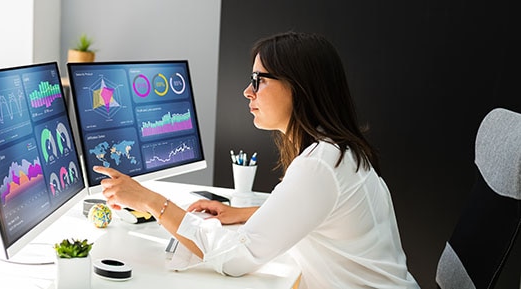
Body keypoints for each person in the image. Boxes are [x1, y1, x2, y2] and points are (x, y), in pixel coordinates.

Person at [93, 31, 420, 288]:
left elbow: (236, 260)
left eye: (258, 80)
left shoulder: (320, 164)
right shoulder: (339, 150)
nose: (248, 92)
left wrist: (149, 200)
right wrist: (242, 213)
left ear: (298, 87)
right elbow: (317, 212)